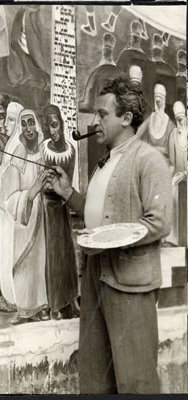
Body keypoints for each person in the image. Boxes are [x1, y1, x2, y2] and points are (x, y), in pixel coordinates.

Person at [45, 78, 172, 394]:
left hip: (129, 280)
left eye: (102, 114)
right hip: (94, 276)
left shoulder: (148, 159)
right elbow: (98, 213)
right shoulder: (104, 163)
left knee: (135, 381)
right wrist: (67, 192)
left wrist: (111, 239)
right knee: (95, 377)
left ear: (126, 118)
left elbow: (159, 223)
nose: (94, 121)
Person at [2, 109, 50, 325]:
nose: (28, 128)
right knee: (24, 265)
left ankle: (43, 306)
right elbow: (10, 198)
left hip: (46, 218)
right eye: (24, 124)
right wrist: (31, 193)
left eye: (31, 122)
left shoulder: (46, 151)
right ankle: (25, 310)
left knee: (43, 263)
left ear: (37, 125)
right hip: (25, 221)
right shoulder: (17, 156)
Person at [40, 104, 79, 319]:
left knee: (67, 255)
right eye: (48, 127)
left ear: (62, 125)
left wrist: (62, 188)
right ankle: (55, 304)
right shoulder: (44, 148)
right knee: (52, 256)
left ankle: (70, 299)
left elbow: (68, 181)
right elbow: (42, 182)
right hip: (47, 208)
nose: (52, 131)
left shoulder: (71, 150)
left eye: (55, 125)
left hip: (62, 206)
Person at [0, 102, 23, 312]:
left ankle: (14, 298)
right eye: (5, 119)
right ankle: (9, 296)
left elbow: (11, 179)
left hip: (11, 212)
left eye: (11, 119)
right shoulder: (8, 144)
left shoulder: (17, 144)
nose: (6, 125)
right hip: (3, 211)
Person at [138, 83, 175, 169]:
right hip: (148, 161)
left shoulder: (171, 126)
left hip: (163, 165)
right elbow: (137, 135)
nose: (158, 102)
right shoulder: (150, 119)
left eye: (160, 99)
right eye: (156, 99)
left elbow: (169, 151)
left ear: (164, 100)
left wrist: (149, 147)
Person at [166, 101, 187, 246]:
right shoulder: (172, 136)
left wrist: (185, 174)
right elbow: (172, 164)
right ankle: (173, 239)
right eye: (177, 118)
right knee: (171, 192)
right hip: (179, 178)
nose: (180, 121)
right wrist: (168, 177)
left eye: (182, 117)